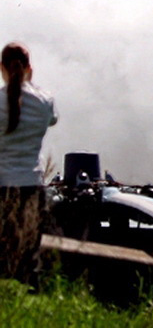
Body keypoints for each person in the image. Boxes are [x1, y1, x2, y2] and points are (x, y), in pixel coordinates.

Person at [0, 43, 56, 283]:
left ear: (1, 68)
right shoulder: (45, 101)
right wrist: (29, 83)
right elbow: (53, 119)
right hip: (32, 187)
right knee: (27, 259)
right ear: (28, 68)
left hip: (3, 187)